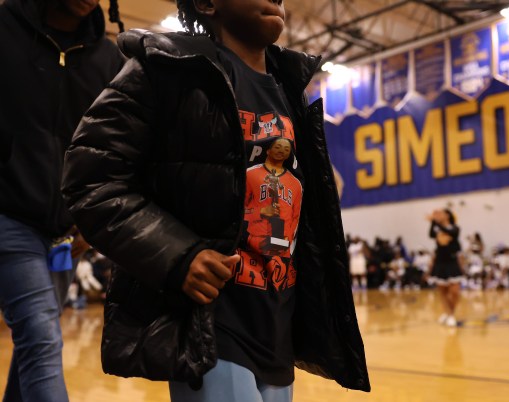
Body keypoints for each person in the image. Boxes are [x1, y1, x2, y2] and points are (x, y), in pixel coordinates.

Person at [61, 0, 370, 400]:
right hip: (211, 324)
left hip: (278, 326)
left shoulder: (290, 89)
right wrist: (178, 256)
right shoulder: (166, 68)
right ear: (207, 3)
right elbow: (92, 178)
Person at [0, 0, 124, 400]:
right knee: (41, 337)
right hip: (9, 217)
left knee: (37, 343)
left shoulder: (108, 58)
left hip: (68, 234)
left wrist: (93, 219)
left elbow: (112, 150)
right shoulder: (5, 31)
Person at [427, 209, 463, 327]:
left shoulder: (455, 228)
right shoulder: (437, 228)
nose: (439, 215)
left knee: (455, 291)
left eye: (441, 213)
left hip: (452, 262)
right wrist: (433, 222)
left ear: (447, 215)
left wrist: (434, 221)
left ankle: (451, 313)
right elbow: (431, 234)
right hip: (440, 262)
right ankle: (448, 314)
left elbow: (449, 232)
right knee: (443, 292)